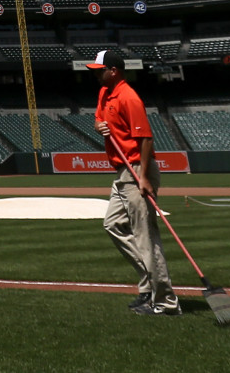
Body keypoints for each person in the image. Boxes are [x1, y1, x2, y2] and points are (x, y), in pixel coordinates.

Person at [89, 50, 178, 316]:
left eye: (99, 69)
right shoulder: (105, 92)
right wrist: (98, 126)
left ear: (113, 70)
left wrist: (144, 177)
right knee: (113, 225)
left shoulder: (129, 97)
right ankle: (148, 286)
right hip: (121, 172)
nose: (95, 73)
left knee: (146, 237)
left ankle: (165, 302)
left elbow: (146, 138)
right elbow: (98, 119)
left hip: (138, 168)